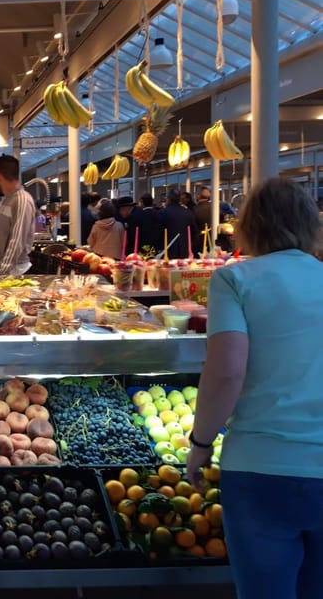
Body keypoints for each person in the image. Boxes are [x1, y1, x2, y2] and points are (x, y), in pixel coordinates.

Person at [186, 178, 323, 599]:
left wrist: (200, 442)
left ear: (249, 225)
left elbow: (227, 373)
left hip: (261, 469)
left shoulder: (234, 280)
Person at [0, 155, 36, 277]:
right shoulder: (5, 200)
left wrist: (1, 273)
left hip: (11, 272)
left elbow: (17, 240)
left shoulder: (22, 200)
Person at [162, 189, 197, 258]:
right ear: (180, 199)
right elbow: (194, 232)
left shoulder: (163, 212)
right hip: (184, 250)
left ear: (169, 199)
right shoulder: (188, 212)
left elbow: (159, 231)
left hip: (168, 250)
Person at [193, 187, 213, 252]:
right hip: (213, 238)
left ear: (198, 196)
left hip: (200, 240)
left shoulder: (194, 210)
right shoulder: (215, 207)